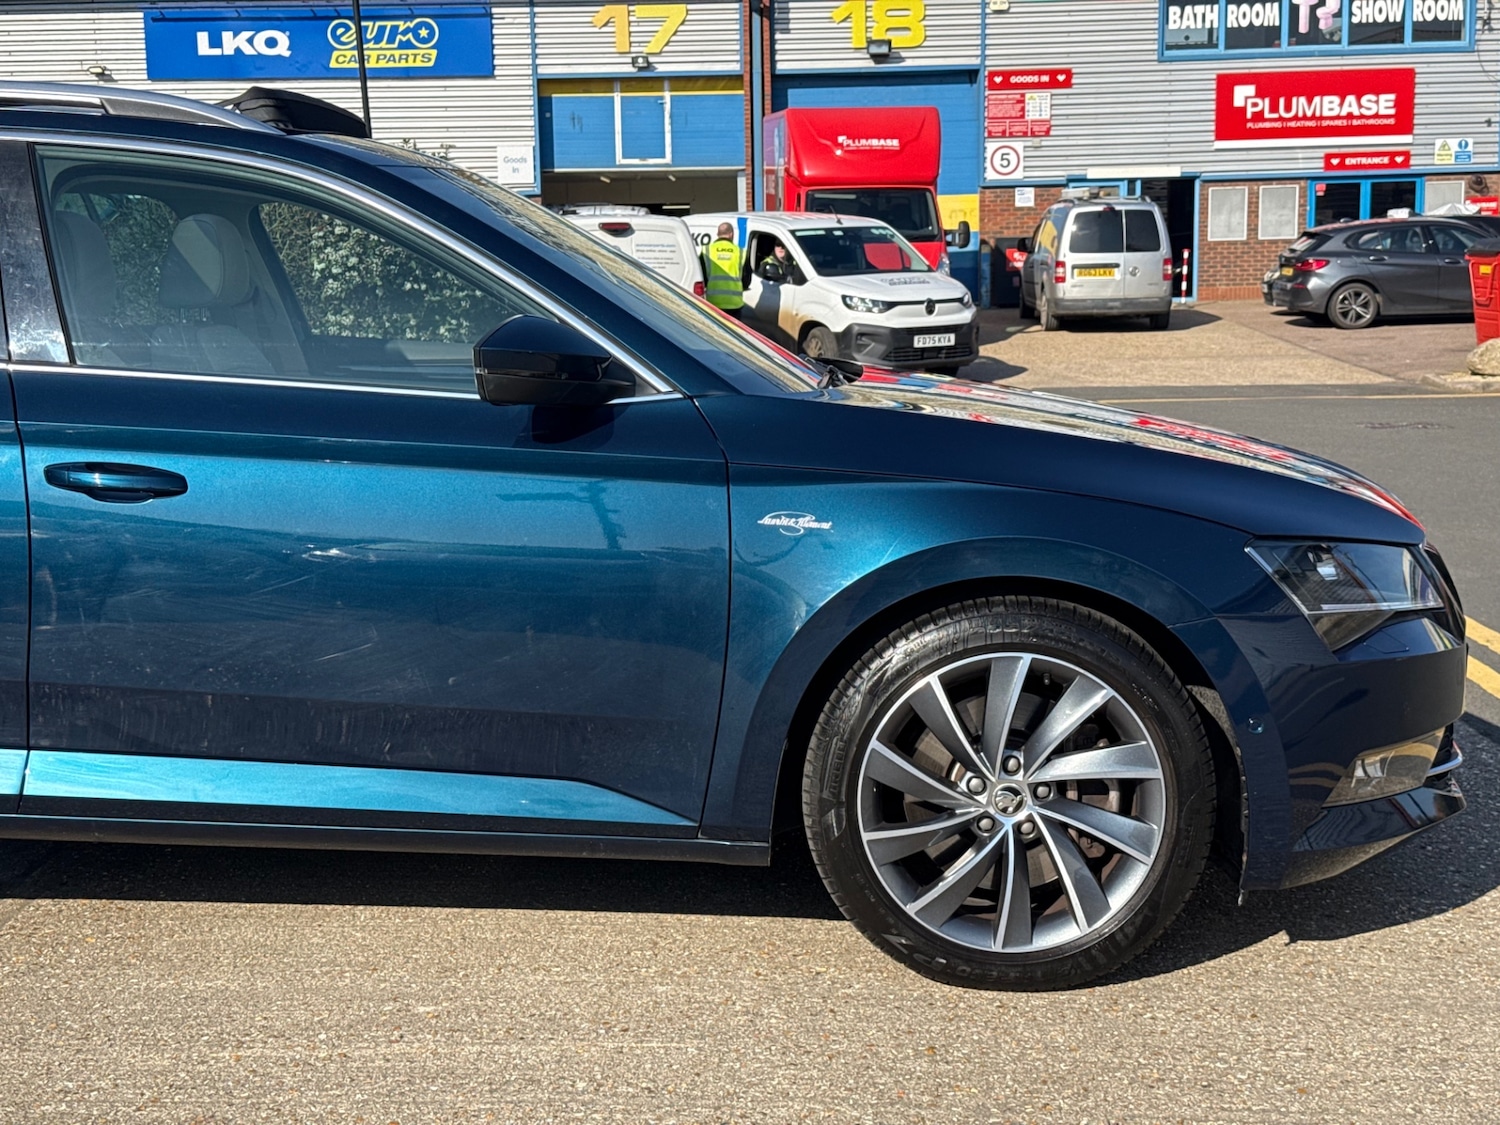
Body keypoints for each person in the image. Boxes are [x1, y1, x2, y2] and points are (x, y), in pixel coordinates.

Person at [702, 221, 745, 320]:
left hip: (713, 303)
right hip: (735, 304)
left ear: (718, 234)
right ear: (731, 234)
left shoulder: (707, 250)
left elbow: (702, 276)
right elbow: (747, 279)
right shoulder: (740, 251)